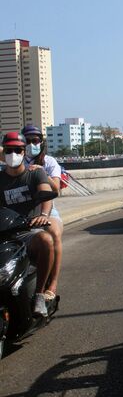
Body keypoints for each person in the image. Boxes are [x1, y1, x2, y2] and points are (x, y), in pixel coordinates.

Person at [0, 132, 54, 316]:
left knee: (46, 240)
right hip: (4, 234)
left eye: (17, 150)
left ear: (23, 152)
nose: (13, 154)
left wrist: (44, 214)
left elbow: (46, 193)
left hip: (27, 231)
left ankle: (39, 294)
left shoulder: (35, 173)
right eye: (9, 150)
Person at [21, 125, 63, 301]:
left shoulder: (49, 162)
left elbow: (57, 188)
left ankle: (52, 284)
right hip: (22, 210)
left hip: (47, 209)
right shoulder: (17, 160)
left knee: (53, 233)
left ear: (41, 142)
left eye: (35, 140)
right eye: (28, 141)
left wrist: (40, 172)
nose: (32, 144)